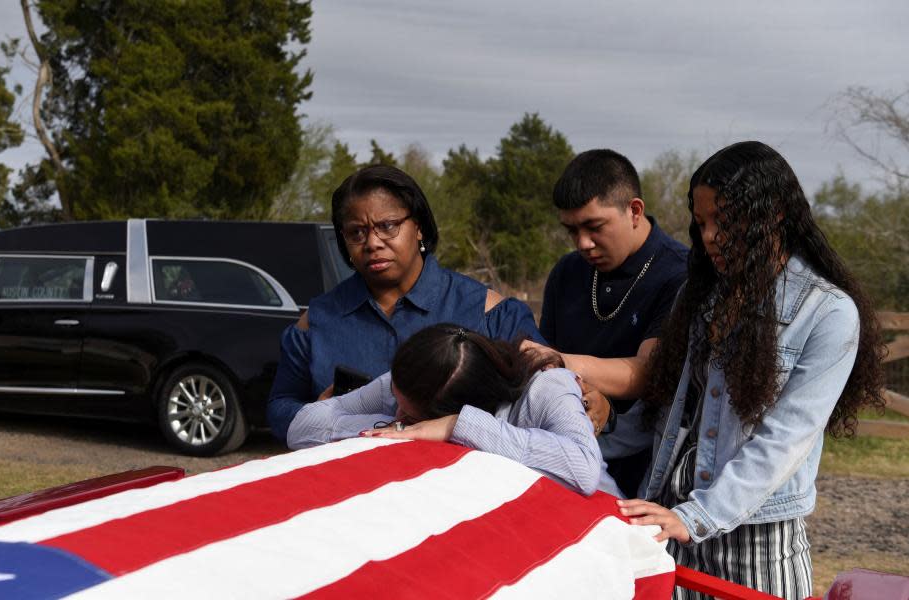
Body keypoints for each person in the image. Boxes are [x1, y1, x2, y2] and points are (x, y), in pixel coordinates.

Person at [606, 141, 885, 599]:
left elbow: (785, 439)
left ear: (773, 215)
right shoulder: (697, 297)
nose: (710, 235)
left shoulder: (828, 313)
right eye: (701, 223)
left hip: (755, 541)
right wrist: (589, 437)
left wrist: (697, 517)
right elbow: (669, 409)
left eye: (725, 220)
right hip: (674, 530)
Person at [266, 165, 576, 443]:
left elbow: (549, 392)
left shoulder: (489, 311)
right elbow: (279, 409)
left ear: (420, 227)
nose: (372, 243)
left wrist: (597, 406)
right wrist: (320, 413)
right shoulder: (316, 320)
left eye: (388, 226)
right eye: (356, 232)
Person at [288, 324, 621, 497]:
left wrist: (460, 426)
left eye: (411, 416)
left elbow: (584, 470)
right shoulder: (406, 383)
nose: (398, 413)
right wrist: (397, 426)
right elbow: (303, 426)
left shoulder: (546, 387)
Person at [527, 149, 688, 497]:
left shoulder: (680, 275)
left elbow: (649, 372)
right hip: (562, 458)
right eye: (572, 230)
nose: (583, 243)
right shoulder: (568, 272)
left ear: (634, 210)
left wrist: (559, 363)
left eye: (594, 227)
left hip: (646, 477)